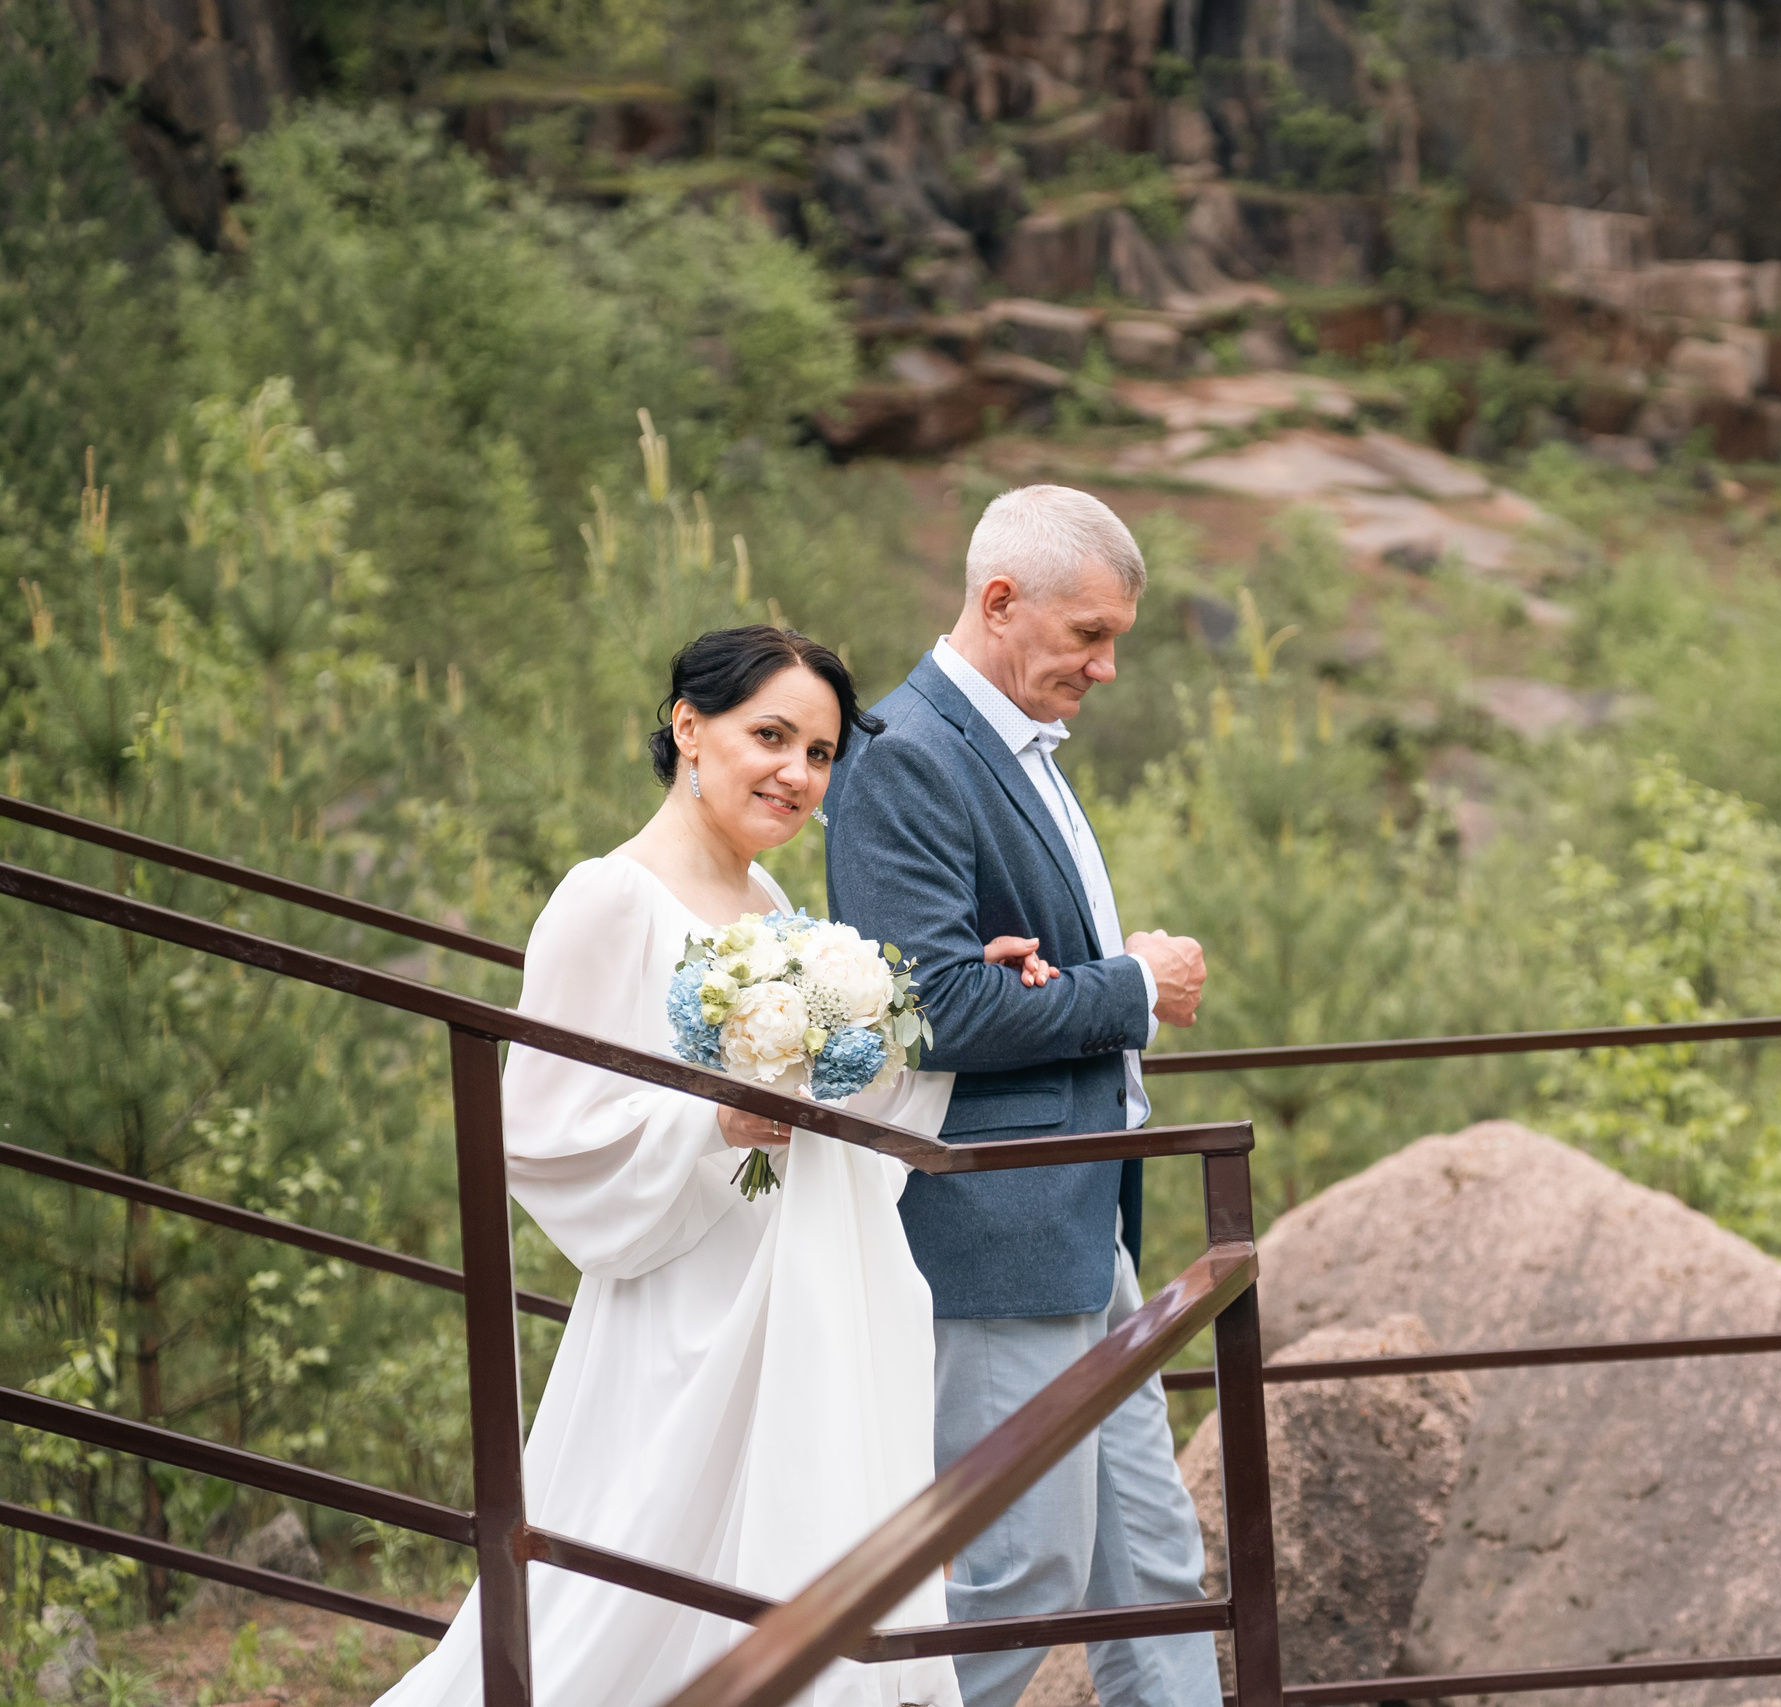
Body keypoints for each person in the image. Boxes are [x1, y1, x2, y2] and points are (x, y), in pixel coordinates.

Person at [375, 625, 1057, 1707]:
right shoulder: (607, 898)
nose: (797, 774)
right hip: (685, 1313)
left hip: (802, 1293)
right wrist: (710, 1129)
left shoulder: (777, 911)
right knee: (642, 1580)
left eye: (821, 754)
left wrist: (918, 1008)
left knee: (796, 1558)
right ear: (690, 727)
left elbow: (833, 1107)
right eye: (771, 736)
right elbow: (543, 1130)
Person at [825, 486, 1217, 1707]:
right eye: (1088, 636)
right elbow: (939, 1007)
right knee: (1019, 1571)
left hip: (1082, 1213)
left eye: (1115, 641)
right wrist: (1134, 987)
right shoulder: (905, 758)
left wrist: (1107, 986)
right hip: (991, 1225)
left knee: (1151, 1560)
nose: (1104, 668)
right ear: (999, 603)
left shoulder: (1010, 745)